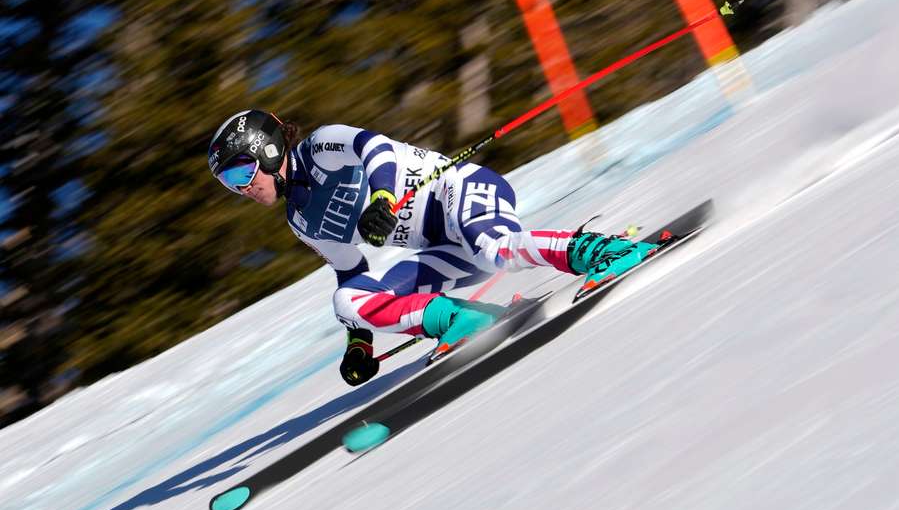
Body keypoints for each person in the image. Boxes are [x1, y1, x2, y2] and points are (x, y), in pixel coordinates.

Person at [208, 110, 658, 386]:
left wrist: (383, 198)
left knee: (493, 249)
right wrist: (359, 342)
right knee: (347, 300)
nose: (241, 188)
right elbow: (350, 271)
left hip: (460, 192)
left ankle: (606, 252)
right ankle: (464, 321)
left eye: (241, 172)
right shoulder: (300, 220)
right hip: (441, 247)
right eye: (229, 183)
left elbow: (376, 149)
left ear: (266, 151)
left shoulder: (321, 147)